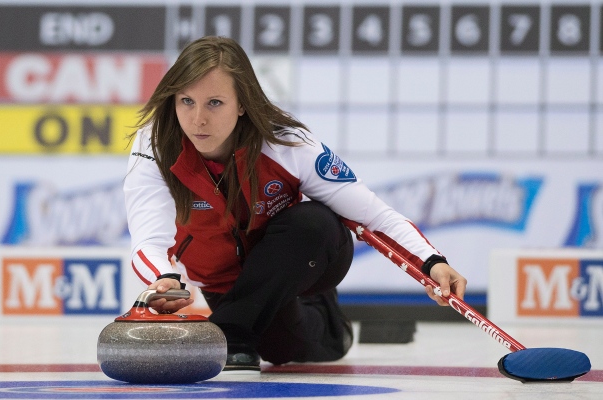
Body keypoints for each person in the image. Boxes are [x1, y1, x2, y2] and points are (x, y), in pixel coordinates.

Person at [124, 36, 467, 372]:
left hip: (303, 258)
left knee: (314, 222)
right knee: (279, 347)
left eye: (215, 103)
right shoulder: (154, 145)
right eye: (187, 101)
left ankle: (227, 333)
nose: (198, 119)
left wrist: (432, 263)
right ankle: (298, 325)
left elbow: (373, 215)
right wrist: (164, 277)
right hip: (225, 283)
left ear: (242, 103)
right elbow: (148, 239)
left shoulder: (286, 143)